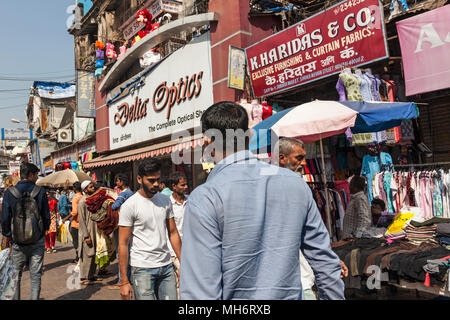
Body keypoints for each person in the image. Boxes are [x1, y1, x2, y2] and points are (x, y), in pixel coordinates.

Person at [179, 101, 345, 300]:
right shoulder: (296, 185)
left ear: (208, 144)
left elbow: (201, 292)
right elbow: (325, 263)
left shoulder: (205, 198)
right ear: (249, 136)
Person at [275, 137, 348, 300]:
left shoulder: (290, 188)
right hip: (298, 284)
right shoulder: (291, 190)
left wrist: (331, 262)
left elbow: (310, 241)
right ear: (282, 158)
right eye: (298, 158)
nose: (304, 164)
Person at [118, 158, 182, 300]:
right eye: (151, 180)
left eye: (158, 180)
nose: (156, 184)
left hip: (166, 267)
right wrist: (123, 281)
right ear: (139, 179)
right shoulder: (129, 206)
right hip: (142, 268)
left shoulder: (165, 201)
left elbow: (173, 233)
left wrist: (182, 263)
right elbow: (123, 243)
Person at [1, 163, 51, 300]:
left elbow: (5, 218)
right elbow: (46, 215)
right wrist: (44, 229)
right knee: (35, 276)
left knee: (16, 277)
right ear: (30, 174)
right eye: (36, 174)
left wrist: (8, 235)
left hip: (17, 242)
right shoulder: (39, 191)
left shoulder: (9, 193)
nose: (36, 177)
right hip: (37, 240)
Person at [108, 173, 133, 290]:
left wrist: (109, 203)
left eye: (117, 181)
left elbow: (115, 206)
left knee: (121, 252)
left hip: (122, 225)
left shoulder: (123, 193)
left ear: (122, 182)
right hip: (131, 225)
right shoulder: (131, 192)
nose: (116, 184)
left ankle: (121, 279)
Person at [78, 180, 103, 285]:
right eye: (90, 187)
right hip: (87, 230)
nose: (93, 188)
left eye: (93, 187)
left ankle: (91, 275)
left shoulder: (92, 200)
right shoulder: (82, 201)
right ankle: (84, 277)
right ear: (85, 190)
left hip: (94, 229)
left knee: (93, 254)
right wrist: (86, 235)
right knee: (87, 254)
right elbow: (82, 220)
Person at [166, 171, 189, 285]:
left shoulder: (191, 201)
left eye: (186, 184)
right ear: (174, 187)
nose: (186, 187)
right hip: (174, 252)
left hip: (190, 250)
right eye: (183, 185)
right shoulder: (167, 205)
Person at [70, 182, 83, 263]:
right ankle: (79, 257)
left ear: (74, 189)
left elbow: (74, 212)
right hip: (82, 223)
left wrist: (69, 217)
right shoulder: (83, 196)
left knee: (76, 241)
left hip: (76, 223)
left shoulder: (75, 198)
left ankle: (78, 258)